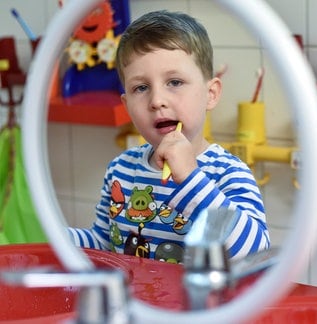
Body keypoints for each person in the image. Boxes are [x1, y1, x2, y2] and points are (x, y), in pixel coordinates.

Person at [68, 10, 269, 263]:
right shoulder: (120, 170)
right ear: (127, 104)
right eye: (141, 88)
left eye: (174, 82)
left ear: (211, 94)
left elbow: (255, 253)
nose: (156, 101)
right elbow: (104, 244)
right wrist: (53, 236)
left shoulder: (228, 173)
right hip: (135, 303)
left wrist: (190, 179)